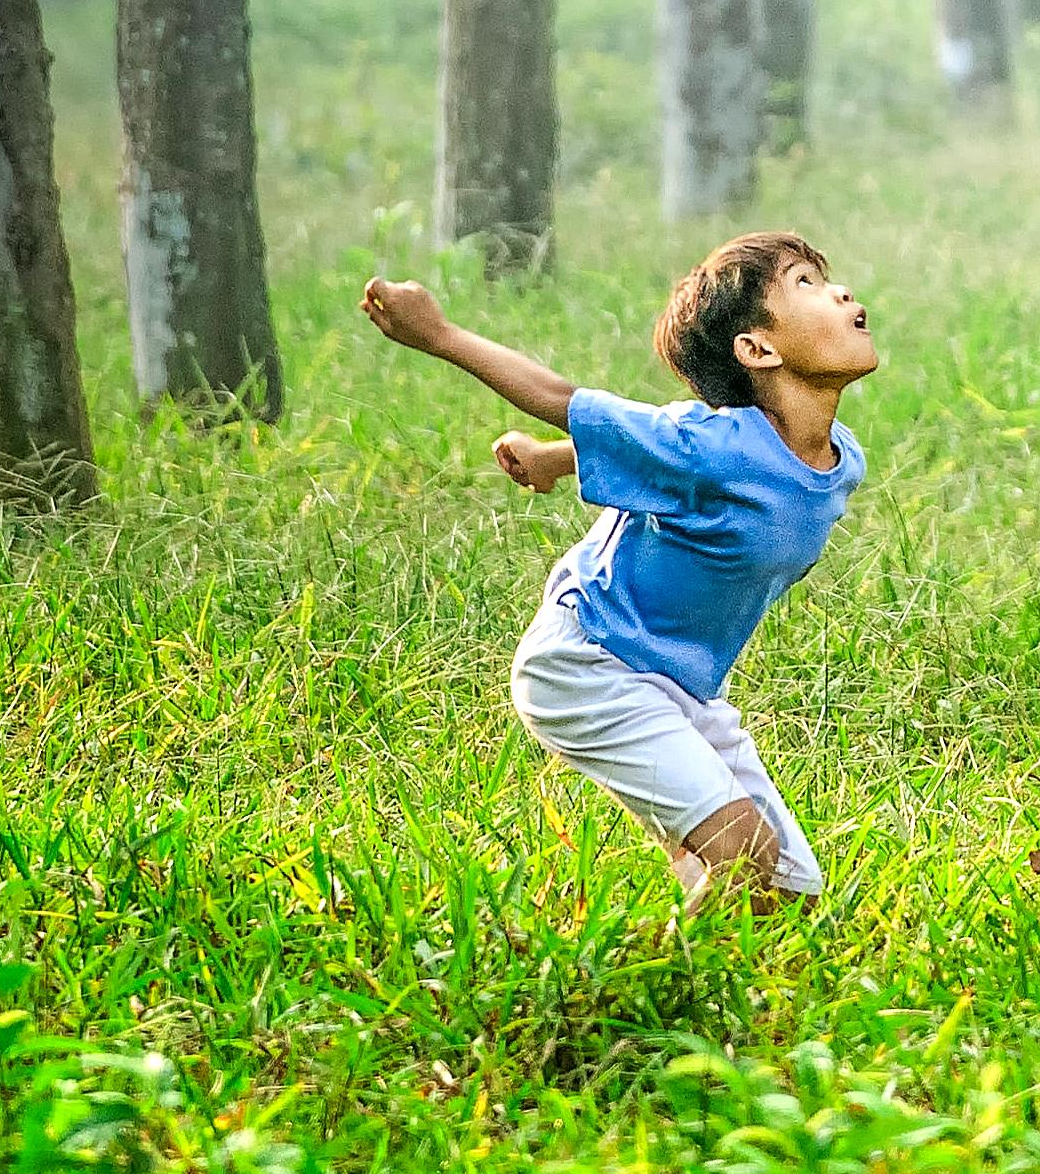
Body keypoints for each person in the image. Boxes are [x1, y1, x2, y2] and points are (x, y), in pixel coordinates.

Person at [360, 233, 880, 902]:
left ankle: (699, 923)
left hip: (681, 688)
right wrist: (438, 334)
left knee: (787, 892)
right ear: (756, 348)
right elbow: (562, 396)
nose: (839, 291)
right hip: (590, 663)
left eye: (828, 279)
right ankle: (625, 992)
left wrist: (553, 459)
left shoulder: (842, 459)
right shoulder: (708, 443)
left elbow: (662, 464)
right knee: (745, 859)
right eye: (805, 283)